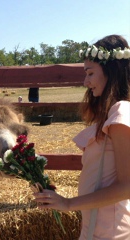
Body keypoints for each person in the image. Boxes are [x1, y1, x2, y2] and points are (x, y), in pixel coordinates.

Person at [33, 35, 130, 240]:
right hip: (96, 225)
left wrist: (68, 204)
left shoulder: (121, 112)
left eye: (90, 73)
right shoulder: (109, 113)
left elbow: (127, 186)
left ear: (111, 72)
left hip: (111, 232)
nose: (86, 82)